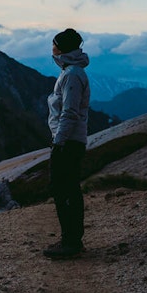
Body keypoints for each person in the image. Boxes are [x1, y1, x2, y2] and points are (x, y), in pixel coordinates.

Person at [43, 27, 91, 259]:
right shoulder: (71, 71)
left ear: (61, 48)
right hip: (70, 140)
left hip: (68, 142)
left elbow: (70, 112)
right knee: (68, 188)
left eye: (54, 44)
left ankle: (70, 242)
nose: (51, 48)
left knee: (64, 189)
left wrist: (58, 142)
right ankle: (72, 238)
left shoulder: (71, 74)